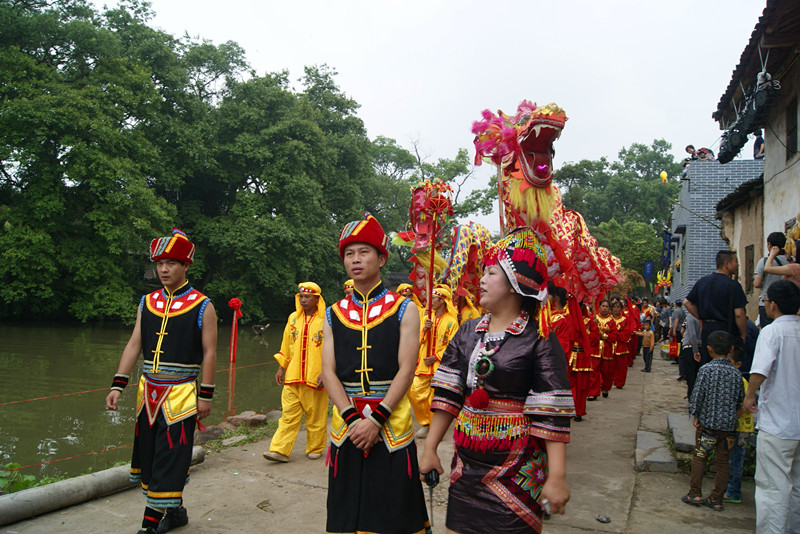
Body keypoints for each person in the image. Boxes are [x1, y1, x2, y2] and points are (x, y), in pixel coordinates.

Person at [419, 227, 574, 534]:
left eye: (491, 273)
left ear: (516, 283)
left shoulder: (540, 339)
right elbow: (449, 396)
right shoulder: (467, 331)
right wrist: (430, 448)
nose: (482, 280)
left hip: (517, 468)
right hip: (466, 466)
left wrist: (557, 477)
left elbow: (551, 412)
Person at [321, 213, 430, 534]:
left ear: (382, 258)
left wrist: (376, 419)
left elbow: (407, 369)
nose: (355, 260)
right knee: (347, 507)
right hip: (347, 425)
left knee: (393, 509)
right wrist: (354, 420)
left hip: (391, 422)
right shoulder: (333, 313)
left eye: (364, 252)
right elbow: (328, 372)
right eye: (349, 253)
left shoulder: (403, 308)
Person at [105, 228, 217, 534]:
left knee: (171, 456)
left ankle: (149, 525)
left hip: (181, 393)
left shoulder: (202, 305)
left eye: (171, 263)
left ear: (186, 266)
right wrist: (119, 384)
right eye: (160, 263)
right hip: (148, 392)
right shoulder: (147, 302)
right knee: (152, 457)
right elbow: (133, 344)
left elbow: (209, 353)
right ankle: (176, 512)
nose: (164, 269)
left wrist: (205, 395)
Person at [743, 280, 800, 532]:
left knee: (773, 486)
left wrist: (749, 395)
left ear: (773, 305)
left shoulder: (772, 331)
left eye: (765, 301)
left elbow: (760, 370)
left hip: (779, 422)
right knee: (796, 485)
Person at [263, 282, 328, 463]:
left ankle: (315, 447)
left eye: (308, 297)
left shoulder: (327, 319)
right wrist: (280, 367)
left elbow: (333, 348)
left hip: (315, 377)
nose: (303, 300)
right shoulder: (293, 318)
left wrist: (326, 372)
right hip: (293, 375)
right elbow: (286, 344)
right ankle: (279, 450)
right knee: (288, 415)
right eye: (301, 296)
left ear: (317, 299)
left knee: (315, 415)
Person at [681, 331, 744, 512]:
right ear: (731, 349)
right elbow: (739, 399)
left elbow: (697, 396)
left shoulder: (706, 370)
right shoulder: (736, 373)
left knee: (700, 456)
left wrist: (696, 415)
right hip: (728, 426)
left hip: (707, 424)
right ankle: (716, 499)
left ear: (709, 349)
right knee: (723, 461)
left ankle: (695, 493)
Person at [409, 285, 458, 438]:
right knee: (414, 390)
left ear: (442, 301)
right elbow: (418, 340)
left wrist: (436, 357)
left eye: (434, 299)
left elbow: (453, 345)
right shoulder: (426, 318)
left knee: (436, 396)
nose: (430, 302)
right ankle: (424, 422)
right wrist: (425, 330)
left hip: (440, 364)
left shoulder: (451, 322)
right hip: (424, 363)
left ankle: (434, 428)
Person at [683, 250, 748, 364]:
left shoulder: (703, 282)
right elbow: (739, 314)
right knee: (728, 363)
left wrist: (701, 317)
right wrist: (743, 334)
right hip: (727, 329)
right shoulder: (733, 285)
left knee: (708, 363)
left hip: (708, 330)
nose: (737, 265)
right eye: (735, 262)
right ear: (727, 264)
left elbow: (687, 303)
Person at [723, 338, 754, 505]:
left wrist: (733, 415)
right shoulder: (736, 380)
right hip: (736, 425)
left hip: (741, 427)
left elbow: (746, 406)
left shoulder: (741, 382)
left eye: (730, 362)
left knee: (736, 460)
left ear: (738, 364)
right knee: (731, 458)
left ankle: (733, 491)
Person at [754, 232, 789, 328]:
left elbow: (757, 283)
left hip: (767, 302)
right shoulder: (791, 261)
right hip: (786, 302)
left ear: (769, 245)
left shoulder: (764, 261)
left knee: (768, 330)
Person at [609, 300, 632, 389]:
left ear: (621, 309)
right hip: (610, 345)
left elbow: (626, 334)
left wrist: (615, 335)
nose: (616, 309)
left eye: (618, 307)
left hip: (621, 347)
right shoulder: (609, 319)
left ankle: (619, 383)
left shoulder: (625, 320)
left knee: (621, 367)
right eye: (614, 307)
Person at [678, 313, 702, 398]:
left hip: (689, 348)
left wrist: (695, 349)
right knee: (696, 374)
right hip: (700, 347)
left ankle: (691, 396)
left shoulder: (691, 317)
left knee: (690, 374)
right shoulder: (702, 316)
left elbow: (693, 334)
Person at [595, 299, 615, 398]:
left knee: (606, 371)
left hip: (607, 349)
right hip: (595, 348)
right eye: (603, 306)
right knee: (594, 371)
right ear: (599, 307)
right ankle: (594, 392)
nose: (605, 308)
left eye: (607, 307)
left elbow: (615, 336)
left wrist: (603, 336)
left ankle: (605, 388)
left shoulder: (612, 321)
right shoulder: (594, 318)